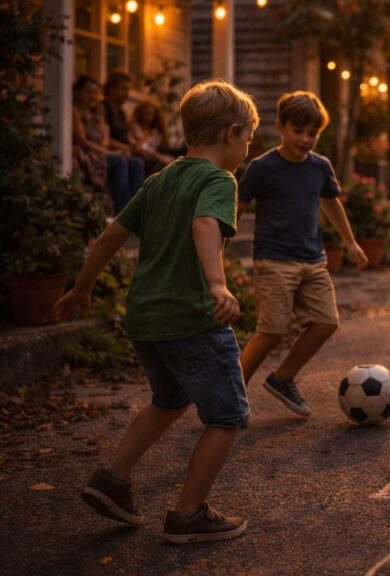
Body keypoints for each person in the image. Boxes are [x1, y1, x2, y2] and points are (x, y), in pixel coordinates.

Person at [55, 79, 260, 544]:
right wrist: (216, 283)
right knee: (227, 416)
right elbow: (205, 223)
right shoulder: (217, 180)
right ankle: (188, 515)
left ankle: (112, 478)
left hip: (146, 320)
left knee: (168, 400)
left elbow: (110, 236)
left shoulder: (160, 178)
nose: (248, 148)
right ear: (231, 133)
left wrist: (82, 287)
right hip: (191, 319)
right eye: (248, 138)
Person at [237, 90, 368, 418]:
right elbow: (235, 208)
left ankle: (282, 378)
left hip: (313, 260)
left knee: (326, 322)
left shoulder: (319, 167)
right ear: (280, 126)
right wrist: (219, 248)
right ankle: (231, 396)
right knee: (271, 330)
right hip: (274, 260)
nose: (306, 139)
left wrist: (350, 242)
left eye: (313, 133)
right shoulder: (262, 167)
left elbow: (331, 202)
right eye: (299, 131)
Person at [71, 75, 141, 212]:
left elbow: (104, 139)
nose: (92, 96)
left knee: (135, 162)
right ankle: (124, 212)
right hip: (87, 154)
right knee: (119, 161)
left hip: (100, 152)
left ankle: (139, 209)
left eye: (95, 93)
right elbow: (82, 141)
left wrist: (100, 120)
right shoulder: (75, 112)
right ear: (78, 92)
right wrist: (110, 152)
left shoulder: (96, 113)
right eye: (88, 92)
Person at [103, 69, 145, 208]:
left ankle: (139, 207)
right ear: (111, 88)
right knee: (124, 162)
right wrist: (125, 148)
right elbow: (106, 139)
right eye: (123, 89)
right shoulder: (103, 109)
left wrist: (134, 144)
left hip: (125, 151)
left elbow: (127, 136)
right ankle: (124, 210)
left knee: (138, 162)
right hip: (112, 152)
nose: (126, 94)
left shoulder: (121, 112)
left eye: (128, 90)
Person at [129, 97, 176, 175]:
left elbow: (165, 145)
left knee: (173, 162)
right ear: (140, 112)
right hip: (140, 155)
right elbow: (139, 146)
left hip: (153, 155)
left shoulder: (154, 130)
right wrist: (158, 155)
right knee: (161, 163)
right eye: (146, 113)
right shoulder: (135, 126)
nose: (148, 117)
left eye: (152, 114)